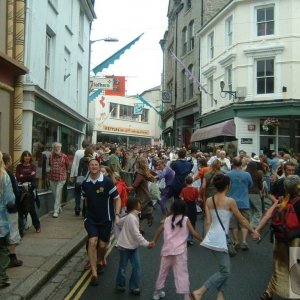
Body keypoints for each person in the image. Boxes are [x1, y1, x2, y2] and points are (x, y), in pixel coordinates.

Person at [190, 174, 260, 300]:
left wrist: (206, 238)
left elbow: (207, 221)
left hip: (213, 237)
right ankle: (200, 291)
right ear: (228, 186)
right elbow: (242, 219)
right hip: (221, 239)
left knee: (225, 268)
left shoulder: (209, 200)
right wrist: (253, 231)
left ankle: (220, 295)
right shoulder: (230, 201)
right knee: (225, 271)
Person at [255, 175, 300, 300]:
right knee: (295, 267)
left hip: (280, 238)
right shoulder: (298, 202)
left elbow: (269, 214)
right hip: (295, 240)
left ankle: (269, 292)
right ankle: (295, 294)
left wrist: (257, 229)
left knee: (278, 266)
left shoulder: (282, 201)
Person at [152, 199, 203, 300]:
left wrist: (153, 241)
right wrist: (204, 240)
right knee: (182, 273)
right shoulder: (185, 219)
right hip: (180, 252)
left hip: (167, 250)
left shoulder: (167, 219)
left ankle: (157, 293)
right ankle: (186, 296)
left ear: (172, 208)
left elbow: (158, 230)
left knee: (162, 272)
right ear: (185, 209)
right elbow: (193, 233)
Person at [82, 159, 121, 286]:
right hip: (91, 219)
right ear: (89, 167)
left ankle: (99, 261)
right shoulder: (85, 184)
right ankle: (94, 274)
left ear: (99, 167)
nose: (93, 166)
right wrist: (86, 214)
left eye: (96, 165)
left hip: (106, 218)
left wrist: (117, 214)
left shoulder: (107, 182)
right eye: (91, 165)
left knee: (103, 246)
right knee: (92, 242)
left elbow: (117, 198)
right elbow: (86, 200)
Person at [115, 197, 154, 295]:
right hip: (125, 247)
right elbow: (137, 235)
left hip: (133, 246)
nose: (140, 205)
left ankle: (134, 287)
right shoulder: (132, 218)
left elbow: (119, 223)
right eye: (139, 203)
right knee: (123, 267)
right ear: (135, 206)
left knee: (136, 266)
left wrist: (119, 220)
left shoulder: (132, 216)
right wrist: (147, 244)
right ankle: (121, 285)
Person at [227, 157, 253, 250]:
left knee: (233, 223)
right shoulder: (247, 174)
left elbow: (226, 186)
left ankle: (235, 241)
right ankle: (244, 241)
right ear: (241, 164)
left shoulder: (228, 174)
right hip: (244, 201)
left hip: (231, 202)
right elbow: (250, 185)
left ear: (232, 164)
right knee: (244, 222)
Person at [2, 153, 23, 267]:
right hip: (9, 209)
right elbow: (13, 193)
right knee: (13, 233)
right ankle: (12, 258)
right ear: (8, 161)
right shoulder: (7, 174)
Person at [0, 151, 15, 288]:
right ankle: (2, 278)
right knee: (3, 249)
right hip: (1, 221)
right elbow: (10, 200)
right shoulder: (4, 176)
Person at [15, 150, 41, 233]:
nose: (27, 157)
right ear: (22, 157)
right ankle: (21, 228)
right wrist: (28, 175)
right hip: (21, 190)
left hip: (30, 190)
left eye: (28, 156)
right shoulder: (19, 166)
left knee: (31, 209)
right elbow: (18, 178)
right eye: (25, 156)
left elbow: (33, 177)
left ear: (30, 157)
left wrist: (23, 176)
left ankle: (37, 226)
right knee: (20, 208)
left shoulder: (33, 166)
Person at [130, 157, 155, 233]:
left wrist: (126, 187)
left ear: (138, 163)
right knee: (140, 212)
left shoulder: (139, 173)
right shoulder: (145, 171)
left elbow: (135, 185)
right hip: (146, 194)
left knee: (137, 212)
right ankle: (141, 227)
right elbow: (153, 178)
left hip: (141, 196)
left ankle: (141, 227)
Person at [49, 142, 69, 218]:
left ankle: (56, 211)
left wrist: (63, 172)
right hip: (52, 177)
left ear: (60, 148)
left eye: (58, 147)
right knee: (55, 194)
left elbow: (67, 165)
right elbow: (50, 165)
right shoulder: (50, 156)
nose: (56, 149)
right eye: (55, 147)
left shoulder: (64, 156)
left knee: (57, 194)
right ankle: (59, 207)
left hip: (61, 178)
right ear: (53, 148)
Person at [70, 139, 90, 216]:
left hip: (78, 175)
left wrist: (72, 175)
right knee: (86, 193)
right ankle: (85, 209)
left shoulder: (77, 152)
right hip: (88, 175)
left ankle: (77, 207)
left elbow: (74, 164)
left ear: (82, 145)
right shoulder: (93, 153)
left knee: (77, 191)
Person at [180, 175, 199, 245]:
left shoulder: (183, 190)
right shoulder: (195, 189)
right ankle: (190, 238)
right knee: (193, 222)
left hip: (186, 206)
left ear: (185, 182)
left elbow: (181, 199)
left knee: (185, 221)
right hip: (193, 206)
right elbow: (197, 199)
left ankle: (184, 237)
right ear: (192, 181)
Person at [245, 160, 264, 228]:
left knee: (250, 210)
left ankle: (250, 224)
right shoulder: (258, 173)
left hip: (247, 193)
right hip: (255, 193)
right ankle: (254, 226)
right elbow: (260, 186)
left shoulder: (245, 174)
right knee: (258, 210)